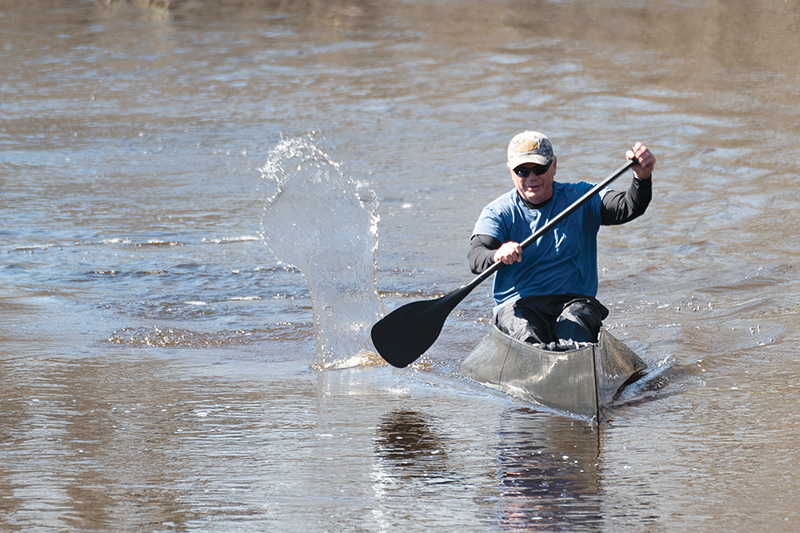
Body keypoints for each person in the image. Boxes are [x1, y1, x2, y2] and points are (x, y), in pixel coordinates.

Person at [468, 131, 656, 349]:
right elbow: (475, 257)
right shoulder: (498, 212)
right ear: (511, 171)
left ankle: (577, 360)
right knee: (526, 333)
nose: (531, 178)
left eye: (539, 169)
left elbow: (627, 207)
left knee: (576, 327)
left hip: (574, 302)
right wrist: (497, 254)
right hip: (519, 306)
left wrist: (641, 179)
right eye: (522, 171)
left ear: (554, 166)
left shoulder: (582, 196)